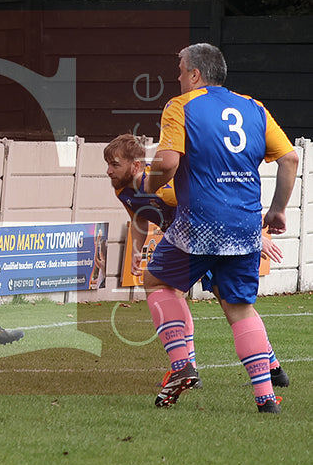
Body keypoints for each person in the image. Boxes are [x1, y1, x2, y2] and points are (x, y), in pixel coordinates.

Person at [141, 44, 299, 412]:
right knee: (240, 308)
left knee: (159, 283)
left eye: (180, 70)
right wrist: (276, 211)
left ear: (195, 74)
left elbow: (166, 163)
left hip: (199, 223)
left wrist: (150, 186)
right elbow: (290, 158)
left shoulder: (180, 107)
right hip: (245, 225)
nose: (178, 77)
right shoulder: (254, 108)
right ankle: (265, 398)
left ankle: (182, 364)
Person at [103, 133, 289, 388]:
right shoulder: (122, 190)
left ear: (136, 165)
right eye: (109, 164)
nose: (108, 171)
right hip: (186, 248)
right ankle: (189, 369)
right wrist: (136, 250)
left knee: (232, 306)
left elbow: (217, 206)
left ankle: (270, 370)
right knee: (175, 294)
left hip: (211, 244)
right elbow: (139, 220)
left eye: (114, 164)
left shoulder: (164, 186)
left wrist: (254, 236)